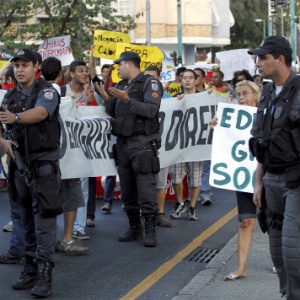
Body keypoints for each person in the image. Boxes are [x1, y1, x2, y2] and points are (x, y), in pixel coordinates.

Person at [0, 48, 61, 297]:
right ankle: (30, 269)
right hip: (19, 167)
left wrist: (15, 118)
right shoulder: (10, 96)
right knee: (25, 221)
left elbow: (41, 113)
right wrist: (2, 141)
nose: (20, 69)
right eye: (17, 65)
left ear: (36, 66)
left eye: (25, 65)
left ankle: (45, 273)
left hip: (43, 165)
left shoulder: (46, 91)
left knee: (44, 222)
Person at [249, 35, 300, 299]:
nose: (258, 64)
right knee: (277, 253)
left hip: (296, 182)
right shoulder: (267, 92)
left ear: (280, 59)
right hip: (271, 180)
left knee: (293, 253)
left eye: (263, 58)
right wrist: (259, 181)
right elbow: (261, 140)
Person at [99, 51, 162, 247]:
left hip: (142, 144)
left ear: (130, 64)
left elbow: (151, 110)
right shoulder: (120, 86)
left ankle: (150, 229)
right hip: (123, 144)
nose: (117, 68)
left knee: (146, 190)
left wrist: (127, 99)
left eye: (120, 64)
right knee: (127, 191)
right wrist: (107, 100)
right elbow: (116, 112)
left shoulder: (149, 83)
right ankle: (135, 227)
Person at [210, 80, 260, 281]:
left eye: (245, 93)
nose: (241, 98)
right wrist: (217, 126)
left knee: (277, 223)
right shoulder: (231, 118)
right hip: (245, 178)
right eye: (238, 94)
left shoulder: (268, 114)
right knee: (245, 221)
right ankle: (241, 268)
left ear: (256, 96)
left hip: (270, 177)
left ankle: (280, 263)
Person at [41, 57, 88, 254]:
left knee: (67, 194)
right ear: (64, 75)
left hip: (66, 155)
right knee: (67, 195)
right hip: (63, 154)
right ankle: (65, 239)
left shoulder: (39, 95)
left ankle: (61, 238)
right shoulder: (59, 94)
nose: (84, 74)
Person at [170, 69, 203, 221]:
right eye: (185, 77)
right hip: (179, 145)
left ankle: (192, 207)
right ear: (181, 80)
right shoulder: (175, 99)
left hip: (196, 145)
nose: (188, 80)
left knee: (195, 179)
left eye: (190, 77)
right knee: (176, 178)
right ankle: (180, 202)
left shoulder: (205, 98)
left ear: (196, 80)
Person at [144, 65, 172, 227]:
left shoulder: (168, 98)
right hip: (145, 147)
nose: (149, 81)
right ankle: (144, 214)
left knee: (160, 183)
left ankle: (159, 214)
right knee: (144, 183)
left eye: (152, 77)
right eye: (146, 77)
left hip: (163, 148)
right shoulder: (139, 96)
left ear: (159, 79)